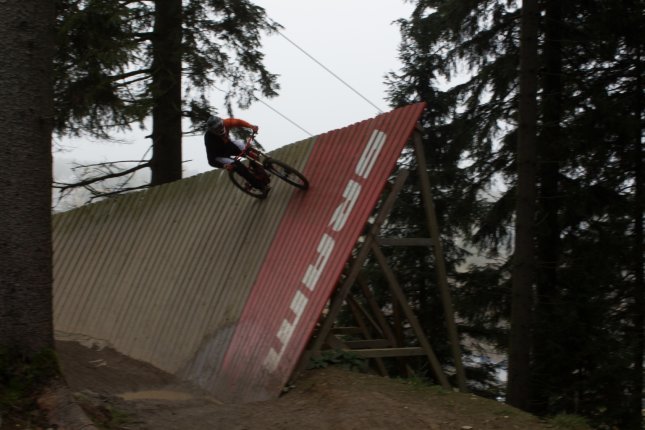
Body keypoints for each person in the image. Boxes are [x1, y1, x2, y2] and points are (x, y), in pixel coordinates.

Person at [204, 115, 266, 189]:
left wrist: (251, 126)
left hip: (228, 145)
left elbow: (238, 122)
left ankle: (258, 172)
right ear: (212, 131)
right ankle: (259, 186)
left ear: (222, 122)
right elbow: (211, 160)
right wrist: (224, 166)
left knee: (249, 152)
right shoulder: (209, 139)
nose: (220, 129)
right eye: (216, 129)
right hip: (219, 155)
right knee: (238, 166)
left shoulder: (226, 122)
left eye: (220, 125)